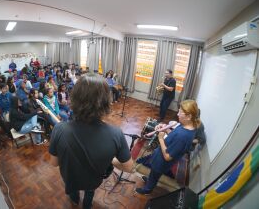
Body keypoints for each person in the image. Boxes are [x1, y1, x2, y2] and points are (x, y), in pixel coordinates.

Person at [48, 74, 133, 209]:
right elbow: (129, 167)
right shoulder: (116, 134)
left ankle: (75, 200)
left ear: (74, 98)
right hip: (93, 180)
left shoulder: (59, 129)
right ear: (105, 102)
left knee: (73, 191)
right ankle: (87, 204)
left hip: (71, 179)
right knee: (90, 191)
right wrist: (110, 160)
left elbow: (53, 163)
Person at [135, 99, 201, 195]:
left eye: (180, 112)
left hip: (162, 160)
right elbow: (173, 136)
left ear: (189, 116)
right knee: (154, 173)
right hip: (161, 154)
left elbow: (167, 156)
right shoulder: (186, 126)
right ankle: (150, 180)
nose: (177, 114)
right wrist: (165, 129)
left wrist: (161, 139)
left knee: (156, 173)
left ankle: (147, 190)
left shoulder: (183, 136)